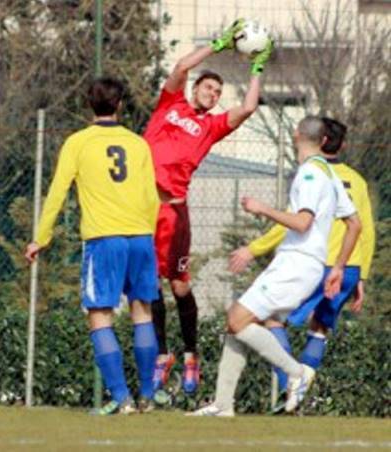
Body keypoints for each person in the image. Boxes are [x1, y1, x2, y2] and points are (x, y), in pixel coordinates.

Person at [192, 116, 361, 417]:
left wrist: (262, 209)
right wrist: (338, 267)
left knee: (236, 319)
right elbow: (355, 224)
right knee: (242, 321)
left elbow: (302, 221)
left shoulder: (310, 174)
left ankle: (297, 372)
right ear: (324, 142)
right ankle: (223, 404)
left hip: (297, 263)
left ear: (296, 135)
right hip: (302, 263)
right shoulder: (328, 172)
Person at [142, 19, 273, 395]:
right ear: (195, 88)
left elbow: (248, 106)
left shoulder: (213, 126)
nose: (212, 94)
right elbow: (181, 66)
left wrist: (257, 66)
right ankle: (162, 354)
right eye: (208, 87)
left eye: (217, 91)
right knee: (148, 285)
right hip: (144, 208)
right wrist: (218, 44)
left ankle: (191, 354)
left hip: (174, 212)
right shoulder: (170, 103)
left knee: (179, 285)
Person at [25, 77, 161, 414]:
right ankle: (147, 394)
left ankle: (121, 398)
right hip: (141, 236)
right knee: (142, 311)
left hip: (104, 238)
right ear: (120, 105)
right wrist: (148, 232)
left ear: (90, 105)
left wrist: (40, 237)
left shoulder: (78, 142)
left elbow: (57, 191)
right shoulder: (138, 143)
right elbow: (151, 196)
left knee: (99, 314)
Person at [229, 117, 375, 402]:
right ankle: (302, 392)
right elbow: (363, 227)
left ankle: (292, 384)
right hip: (346, 266)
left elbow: (294, 222)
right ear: (341, 145)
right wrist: (361, 275)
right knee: (319, 328)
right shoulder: (355, 180)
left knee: (271, 320)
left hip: (315, 263)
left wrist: (254, 248)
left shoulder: (312, 174)